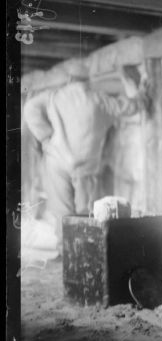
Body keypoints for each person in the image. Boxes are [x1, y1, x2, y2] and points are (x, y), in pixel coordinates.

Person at [23, 65, 151, 251]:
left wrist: (45, 135)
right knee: (87, 212)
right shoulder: (98, 99)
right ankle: (86, 254)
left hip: (57, 161)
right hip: (86, 164)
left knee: (62, 212)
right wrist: (141, 97)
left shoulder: (55, 96)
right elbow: (128, 107)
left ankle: (64, 252)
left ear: (70, 79)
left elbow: (29, 108)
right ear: (88, 81)